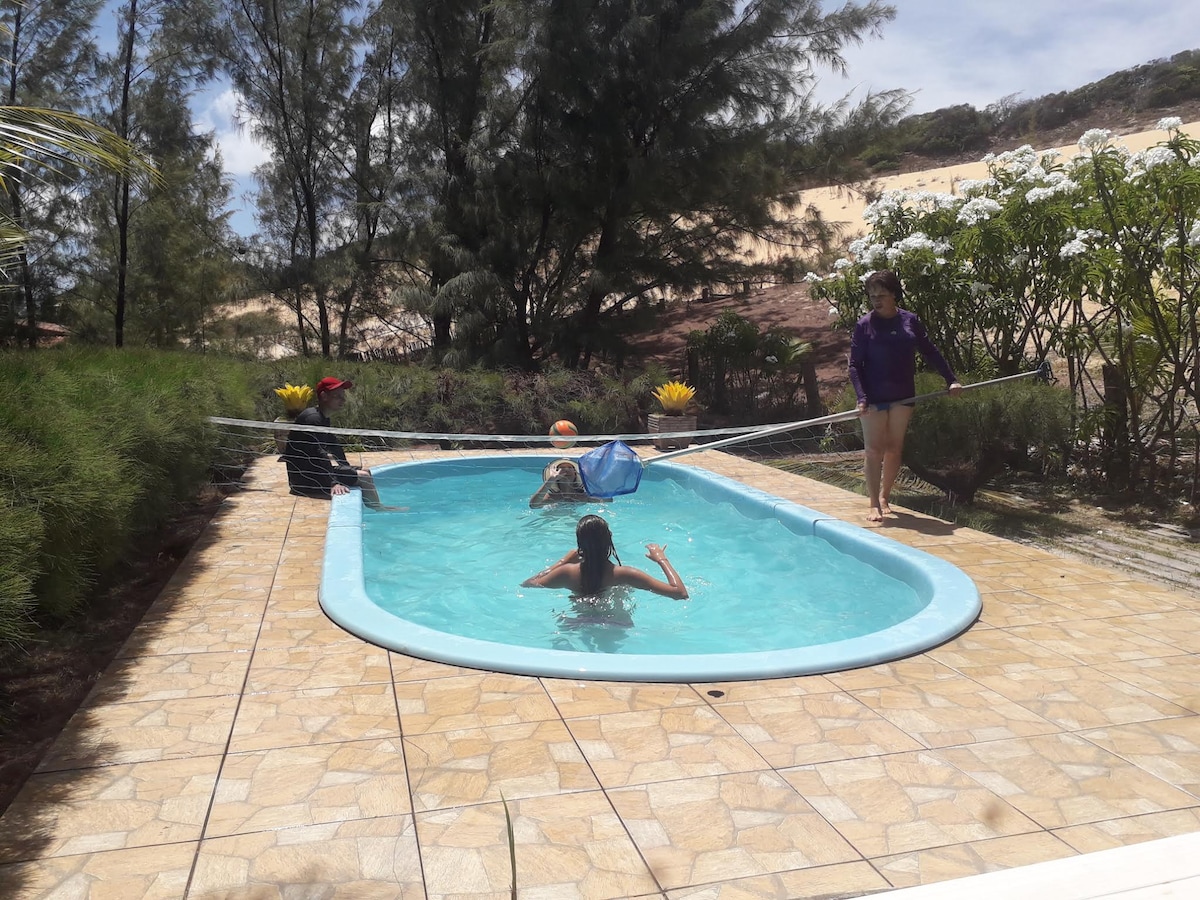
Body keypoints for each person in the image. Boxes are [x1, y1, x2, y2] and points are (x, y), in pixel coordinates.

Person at [849, 270, 962, 523]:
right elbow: (854, 365)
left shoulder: (910, 321)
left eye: (882, 295)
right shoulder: (864, 325)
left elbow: (930, 352)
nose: (876, 301)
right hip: (873, 396)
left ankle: (885, 497)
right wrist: (861, 397)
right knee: (873, 450)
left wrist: (951, 380)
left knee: (894, 448)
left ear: (894, 294)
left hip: (903, 394)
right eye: (872, 296)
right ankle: (873, 503)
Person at [281, 377, 394, 510]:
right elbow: (319, 454)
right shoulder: (313, 419)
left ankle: (372, 508)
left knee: (365, 472)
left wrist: (346, 467)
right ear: (324, 396)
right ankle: (380, 510)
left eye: (343, 396)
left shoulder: (322, 417)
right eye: (338, 396)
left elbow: (334, 445)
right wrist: (333, 483)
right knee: (364, 478)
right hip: (304, 481)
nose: (343, 400)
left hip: (312, 474)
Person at [522, 514, 688, 600]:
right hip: (616, 625)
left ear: (580, 545)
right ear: (609, 539)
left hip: (576, 623)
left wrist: (562, 561)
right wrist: (661, 559)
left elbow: (528, 584)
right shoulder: (626, 574)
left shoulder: (566, 573)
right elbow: (680, 593)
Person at [528, 459, 607, 508]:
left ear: (575, 473)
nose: (566, 470)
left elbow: (608, 499)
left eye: (570, 468)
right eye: (561, 468)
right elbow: (533, 505)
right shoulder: (552, 497)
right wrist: (551, 480)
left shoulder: (583, 496)